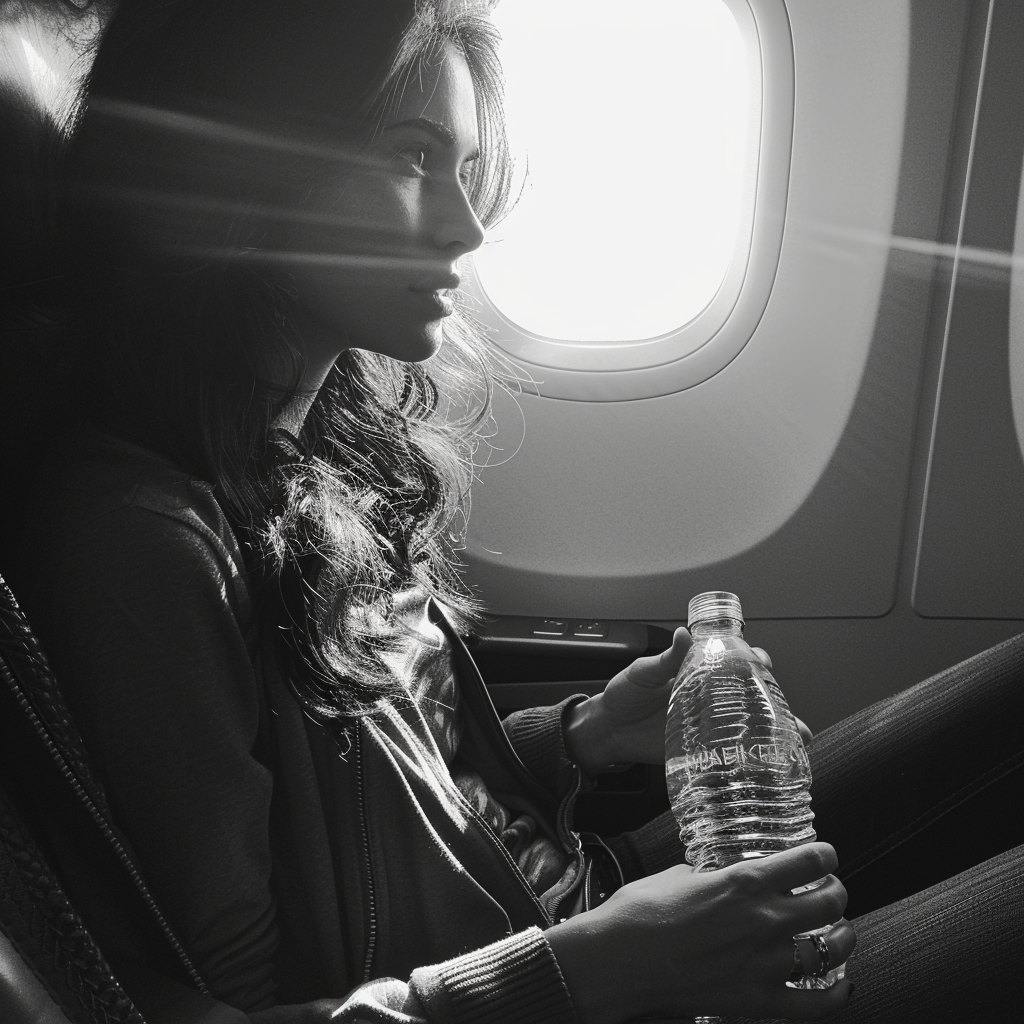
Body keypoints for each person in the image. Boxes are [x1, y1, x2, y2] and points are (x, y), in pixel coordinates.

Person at [5, 1, 1022, 1022]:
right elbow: (225, 1001)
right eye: (412, 156)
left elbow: (406, 810)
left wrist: (582, 734)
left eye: (466, 168)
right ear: (247, 165)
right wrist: (589, 971)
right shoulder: (140, 544)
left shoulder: (302, 455)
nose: (467, 223)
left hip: (570, 901)